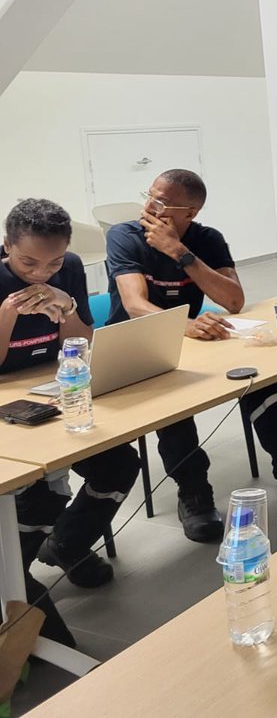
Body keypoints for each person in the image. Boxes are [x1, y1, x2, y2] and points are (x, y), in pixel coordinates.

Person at [106, 170, 277, 543]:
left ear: (188, 213)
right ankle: (194, 495)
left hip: (197, 341)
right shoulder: (125, 236)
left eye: (161, 202)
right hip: (140, 347)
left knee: (258, 379)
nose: (149, 207)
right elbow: (134, 304)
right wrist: (186, 325)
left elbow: (233, 300)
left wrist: (179, 252)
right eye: (149, 196)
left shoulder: (207, 240)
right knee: (173, 400)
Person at [0, 200, 140, 644]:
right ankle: (14, 583)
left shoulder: (71, 268)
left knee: (118, 464)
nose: (41, 272)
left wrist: (67, 306)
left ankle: (65, 544)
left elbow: (80, 345)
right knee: (37, 487)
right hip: (7, 403)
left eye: (54, 261)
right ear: (6, 246)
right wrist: (8, 313)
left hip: (54, 390)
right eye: (28, 262)